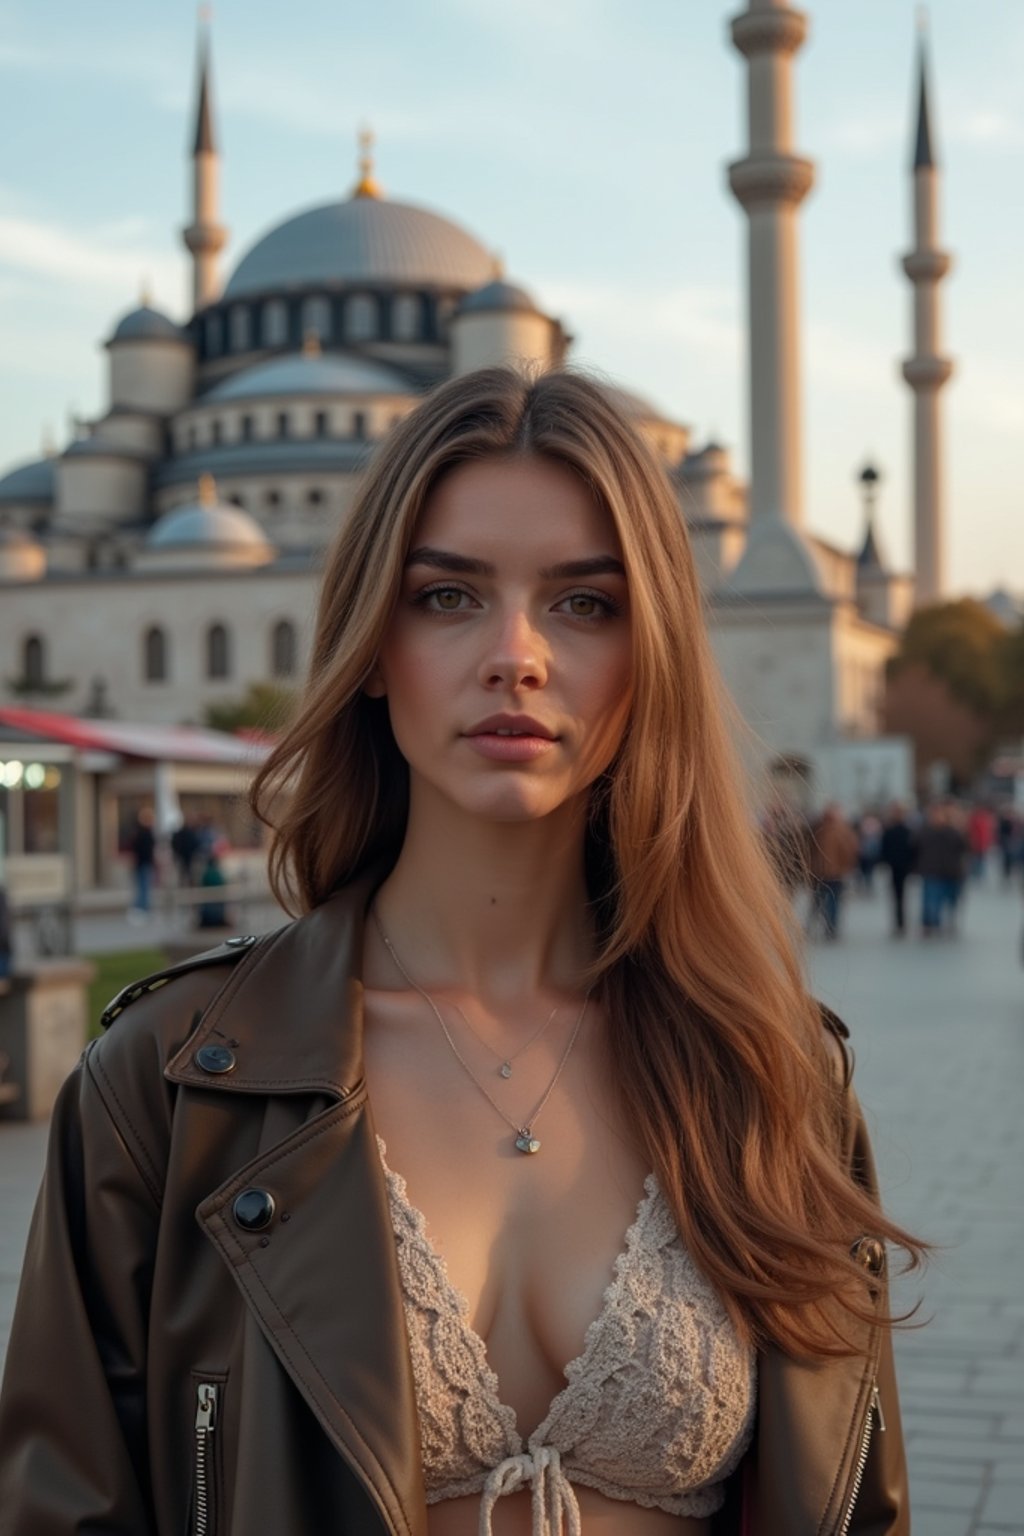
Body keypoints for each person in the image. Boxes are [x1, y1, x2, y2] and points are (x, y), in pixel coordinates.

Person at [0, 368, 921, 1535]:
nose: (516, 656)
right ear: (373, 642)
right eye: (448, 596)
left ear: (654, 659)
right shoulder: (173, 1088)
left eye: (584, 603)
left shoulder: (771, 1074)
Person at [915, 800, 969, 937]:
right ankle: (931, 924)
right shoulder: (925, 831)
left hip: (950, 871)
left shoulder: (953, 831)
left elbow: (964, 847)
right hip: (931, 870)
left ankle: (941, 922)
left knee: (950, 899)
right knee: (931, 900)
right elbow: (915, 846)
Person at [807, 802, 860, 940]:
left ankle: (829, 926)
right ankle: (830, 926)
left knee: (828, 900)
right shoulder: (825, 829)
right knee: (828, 900)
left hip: (829, 872)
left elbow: (849, 851)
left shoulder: (826, 829)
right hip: (827, 872)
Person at [879, 801, 917, 938]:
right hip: (900, 866)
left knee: (898, 896)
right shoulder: (903, 831)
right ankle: (900, 922)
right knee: (900, 896)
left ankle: (900, 922)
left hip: (898, 866)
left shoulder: (896, 831)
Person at [127, 804, 157, 918]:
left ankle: (141, 908)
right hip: (143, 863)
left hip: (143, 863)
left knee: (143, 887)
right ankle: (141, 908)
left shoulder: (141, 832)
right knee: (143, 887)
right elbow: (142, 849)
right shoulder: (144, 833)